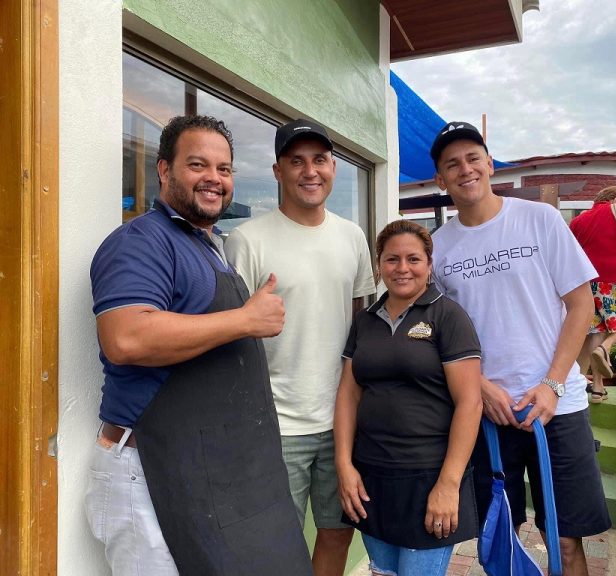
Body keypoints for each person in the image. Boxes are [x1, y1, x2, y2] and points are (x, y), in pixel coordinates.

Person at [86, 115, 312, 575]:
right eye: (198, 165)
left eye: (224, 169)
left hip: (210, 473)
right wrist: (245, 319)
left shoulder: (209, 246)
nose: (214, 178)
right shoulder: (141, 242)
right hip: (151, 471)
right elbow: (126, 337)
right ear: (164, 171)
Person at [429, 121, 611, 576]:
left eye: (473, 158)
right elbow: (440, 336)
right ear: (440, 178)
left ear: (490, 164)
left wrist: (551, 384)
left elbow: (580, 305)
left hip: (558, 405)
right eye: (452, 164)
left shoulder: (539, 219)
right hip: (488, 413)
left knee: (566, 542)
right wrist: (480, 389)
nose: (465, 169)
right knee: (501, 539)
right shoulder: (437, 248)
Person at [225, 118, 375, 576]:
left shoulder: (351, 237)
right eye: (297, 161)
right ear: (277, 171)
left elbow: (356, 326)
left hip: (341, 421)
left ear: (334, 167)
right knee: (277, 544)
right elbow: (234, 334)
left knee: (337, 532)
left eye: (320, 160)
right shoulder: (245, 239)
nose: (310, 171)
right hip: (275, 424)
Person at [334, 220, 483, 576]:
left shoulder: (448, 316)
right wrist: (344, 466)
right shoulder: (365, 321)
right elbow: (348, 394)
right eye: (392, 259)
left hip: (428, 476)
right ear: (379, 265)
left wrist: (449, 485)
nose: (402, 269)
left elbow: (470, 403)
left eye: (413, 259)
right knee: (381, 572)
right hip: (371, 478)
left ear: (429, 265)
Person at [569, 186, 616, 403]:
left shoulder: (578, 221)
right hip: (613, 280)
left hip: (585, 281)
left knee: (596, 331)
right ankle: (606, 347)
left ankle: (598, 389)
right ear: (615, 200)